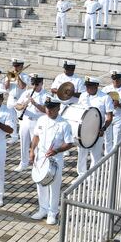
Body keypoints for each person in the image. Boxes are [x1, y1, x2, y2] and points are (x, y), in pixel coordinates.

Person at [29, 96, 75, 225]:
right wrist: (32, 151)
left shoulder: (64, 124)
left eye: (52, 108)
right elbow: (36, 136)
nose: (48, 111)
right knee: (40, 183)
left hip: (55, 158)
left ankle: (52, 212)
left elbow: (69, 143)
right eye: (47, 108)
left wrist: (57, 150)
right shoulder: (42, 119)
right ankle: (43, 208)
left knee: (54, 186)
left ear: (58, 108)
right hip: (41, 155)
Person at [77, 77, 114, 175]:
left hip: (97, 131)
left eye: (90, 86)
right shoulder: (83, 95)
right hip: (83, 131)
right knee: (82, 155)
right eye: (87, 86)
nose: (87, 88)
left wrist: (104, 128)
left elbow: (109, 117)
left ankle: (92, 178)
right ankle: (81, 176)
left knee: (95, 156)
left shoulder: (105, 98)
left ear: (96, 86)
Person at [15, 73, 48, 173]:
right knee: (23, 143)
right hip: (25, 120)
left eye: (37, 84)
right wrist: (24, 105)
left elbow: (46, 110)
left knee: (37, 145)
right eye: (33, 84)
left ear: (42, 83)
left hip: (37, 122)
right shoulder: (27, 93)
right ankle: (23, 163)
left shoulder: (46, 95)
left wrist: (35, 103)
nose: (35, 86)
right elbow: (17, 106)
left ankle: (36, 164)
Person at [102, 70, 121, 153]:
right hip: (108, 117)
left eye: (118, 79)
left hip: (119, 117)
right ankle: (107, 157)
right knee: (107, 139)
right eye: (114, 79)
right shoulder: (106, 89)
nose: (115, 81)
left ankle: (115, 157)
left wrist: (118, 104)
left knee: (117, 140)